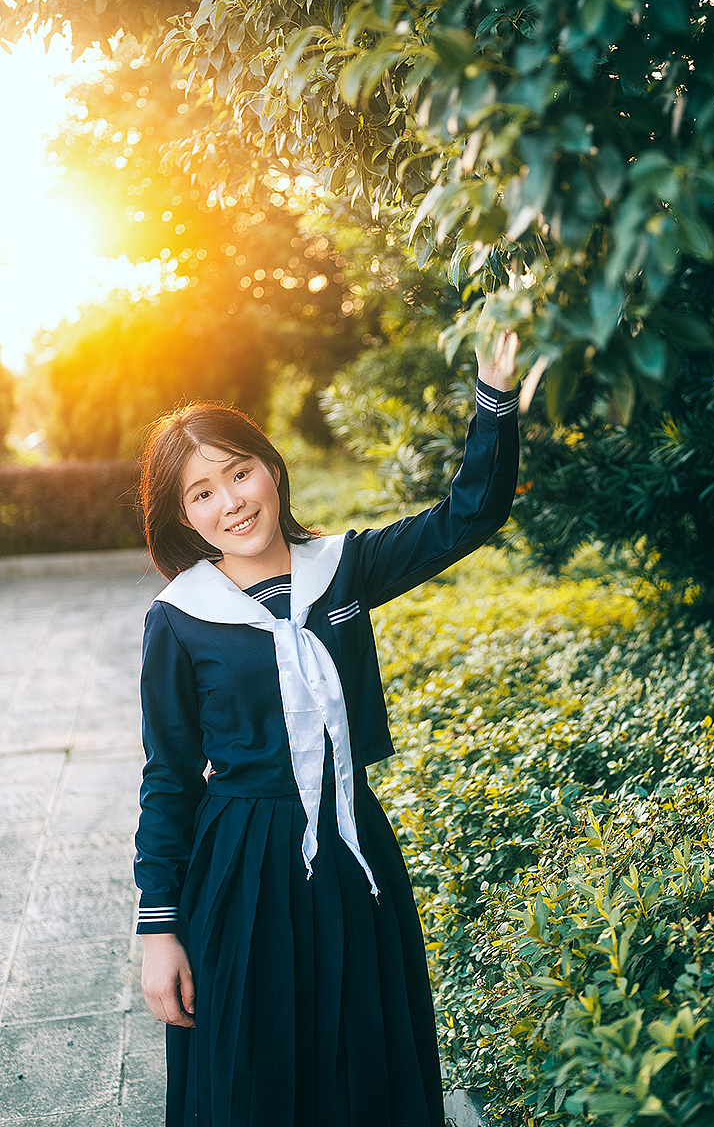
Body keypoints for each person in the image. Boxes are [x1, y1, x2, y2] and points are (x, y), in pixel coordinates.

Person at [134, 328, 519, 1127]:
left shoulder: (342, 568)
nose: (231, 501)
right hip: (242, 863)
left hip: (352, 845)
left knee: (362, 1054)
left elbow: (469, 515)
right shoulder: (179, 618)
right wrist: (158, 928)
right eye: (201, 493)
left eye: (239, 472)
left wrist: (494, 394)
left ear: (271, 469)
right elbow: (168, 776)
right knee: (255, 1070)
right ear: (183, 517)